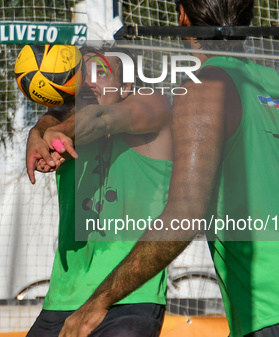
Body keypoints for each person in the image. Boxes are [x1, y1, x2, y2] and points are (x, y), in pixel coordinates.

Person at [59, 0, 279, 337]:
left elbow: (185, 214)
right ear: (249, 16)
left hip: (275, 317)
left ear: (182, 15)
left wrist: (100, 301)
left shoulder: (203, 87)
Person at [25, 48, 173, 337]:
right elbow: (56, 115)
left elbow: (102, 116)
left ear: (126, 85)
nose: (90, 83)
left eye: (102, 73)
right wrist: (39, 130)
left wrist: (57, 131)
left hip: (129, 297)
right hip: (63, 297)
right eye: (84, 75)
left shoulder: (151, 104)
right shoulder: (63, 127)